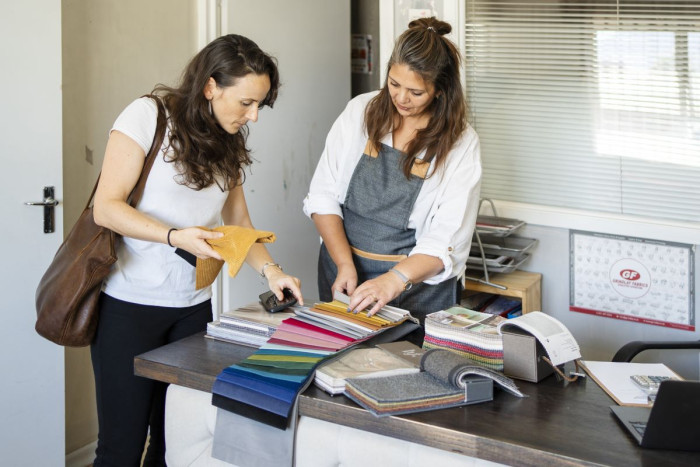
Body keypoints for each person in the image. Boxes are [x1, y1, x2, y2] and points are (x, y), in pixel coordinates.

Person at [91, 34, 303, 466]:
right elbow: (106, 208)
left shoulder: (229, 141)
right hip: (129, 308)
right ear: (210, 87)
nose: (254, 116)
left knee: (175, 445)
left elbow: (239, 225)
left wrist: (273, 273)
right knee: (121, 448)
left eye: (260, 105)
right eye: (246, 102)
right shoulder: (147, 116)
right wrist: (175, 236)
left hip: (192, 310)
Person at [303, 17, 481, 343]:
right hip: (345, 275)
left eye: (416, 92)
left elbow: (446, 239)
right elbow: (323, 195)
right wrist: (344, 264)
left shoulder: (459, 142)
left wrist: (393, 281)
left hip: (417, 289)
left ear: (440, 91)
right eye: (393, 84)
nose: (401, 98)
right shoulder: (360, 111)